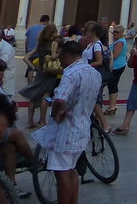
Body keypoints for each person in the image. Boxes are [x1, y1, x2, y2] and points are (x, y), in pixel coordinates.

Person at [33, 40, 103, 204]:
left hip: (66, 130)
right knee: (71, 170)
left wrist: (57, 112)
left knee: (61, 172)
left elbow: (60, 99)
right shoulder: (94, 73)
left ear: (66, 55)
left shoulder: (71, 74)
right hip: (83, 126)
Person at [104, 24, 127, 116]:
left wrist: (107, 52)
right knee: (113, 85)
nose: (114, 34)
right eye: (114, 32)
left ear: (121, 33)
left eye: (117, 32)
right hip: (118, 65)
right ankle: (112, 105)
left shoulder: (119, 42)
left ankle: (112, 106)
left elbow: (115, 55)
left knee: (112, 85)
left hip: (117, 66)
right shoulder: (118, 41)